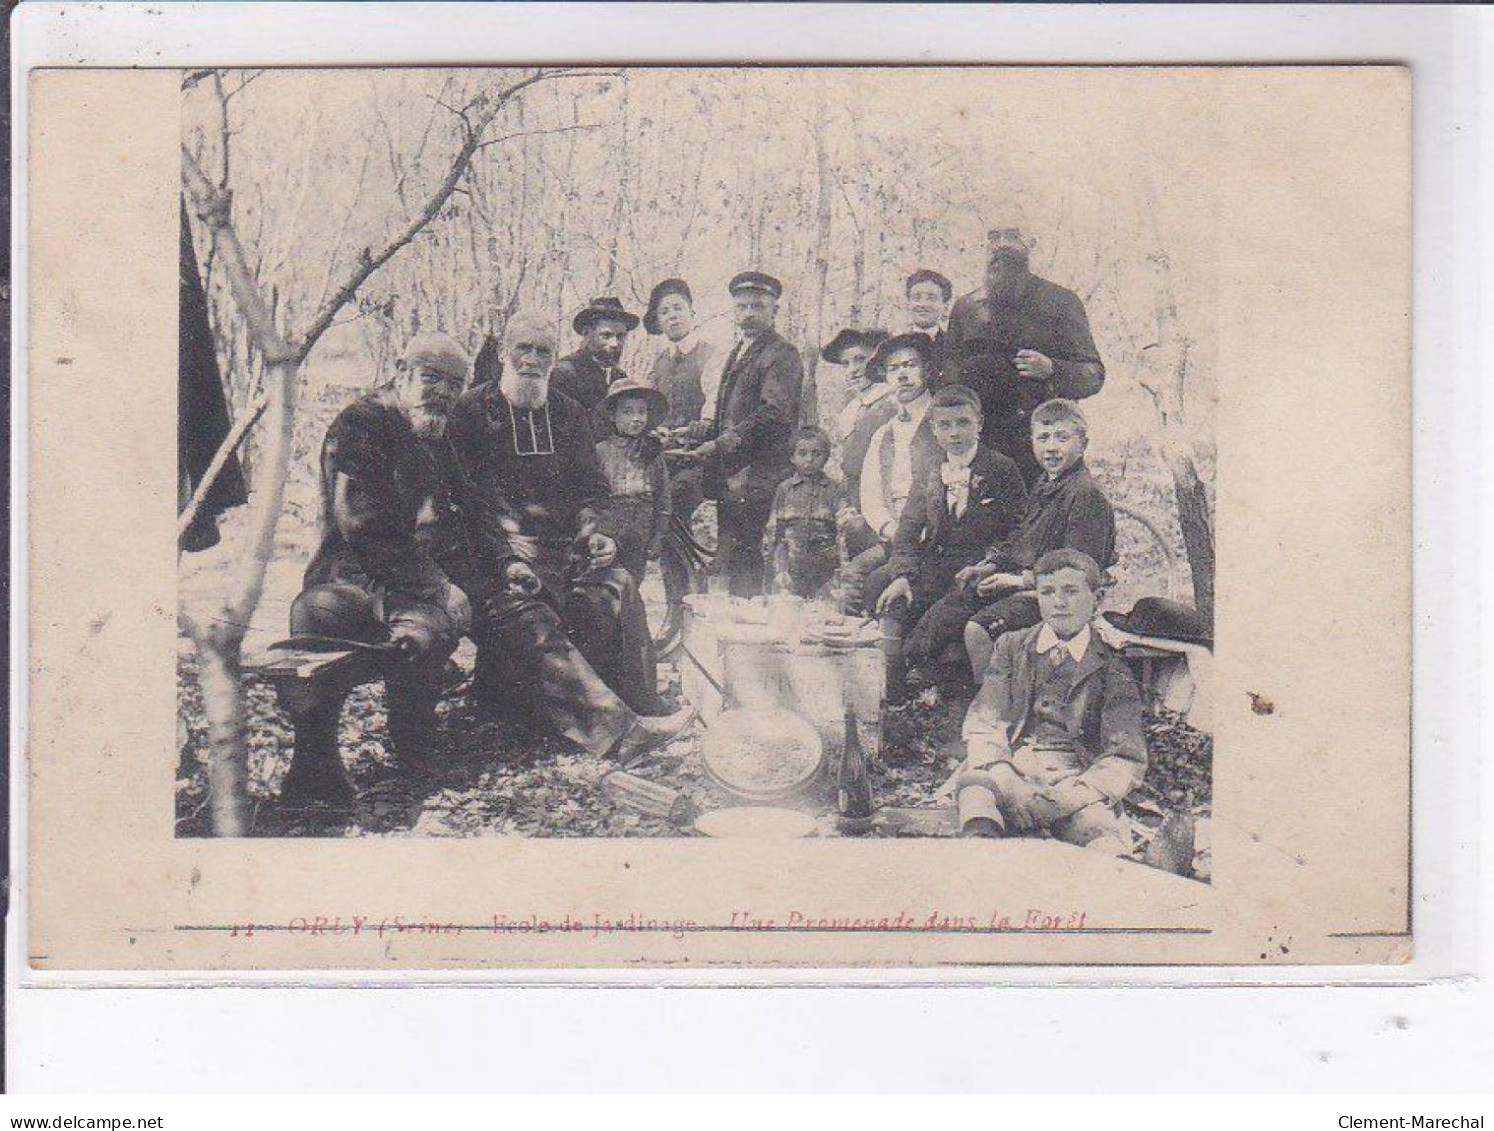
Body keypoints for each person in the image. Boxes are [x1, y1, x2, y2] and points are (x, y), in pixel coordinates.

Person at [449, 312, 693, 731]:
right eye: (523, 348)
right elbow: (464, 501)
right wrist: (505, 555)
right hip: (496, 552)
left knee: (618, 586)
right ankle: (610, 728)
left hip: (565, 546)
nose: (531, 359)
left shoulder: (569, 412)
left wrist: (595, 532)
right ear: (506, 352)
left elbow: (593, 488)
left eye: (542, 351)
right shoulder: (472, 409)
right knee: (531, 608)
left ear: (553, 357)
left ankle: (643, 703)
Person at [279, 333, 479, 808]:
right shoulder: (362, 424)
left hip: (407, 583)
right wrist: (437, 584)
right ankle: (314, 767)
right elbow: (361, 523)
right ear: (400, 370)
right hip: (349, 578)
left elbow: (463, 505)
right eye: (431, 378)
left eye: (454, 385)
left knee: (426, 633)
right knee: (314, 620)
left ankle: (415, 755)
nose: (442, 393)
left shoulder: (434, 431)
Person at [946, 549, 1145, 854]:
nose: (1059, 602)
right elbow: (986, 721)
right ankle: (980, 854)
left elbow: (1125, 754)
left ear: (1098, 598)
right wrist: (1007, 779)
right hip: (1013, 767)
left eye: (1071, 591)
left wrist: (1067, 799)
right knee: (975, 789)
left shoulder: (1112, 664)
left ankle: (1113, 870)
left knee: (1098, 831)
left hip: (1073, 779)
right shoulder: (1012, 646)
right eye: (1048, 592)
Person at [869, 384, 1026, 701]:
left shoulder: (1001, 468)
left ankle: (917, 666)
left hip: (976, 568)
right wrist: (902, 575)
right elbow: (909, 529)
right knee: (881, 585)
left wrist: (992, 562)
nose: (954, 433)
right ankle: (891, 689)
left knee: (948, 610)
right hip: (936, 562)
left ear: (979, 423)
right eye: (945, 424)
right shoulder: (929, 469)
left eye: (963, 423)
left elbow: (1020, 530)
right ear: (934, 429)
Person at [960, 398, 1118, 675]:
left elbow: (1080, 570)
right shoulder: (1046, 483)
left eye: (1062, 438)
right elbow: (1024, 539)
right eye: (1043, 438)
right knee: (954, 606)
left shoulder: (1084, 494)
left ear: (1083, 444)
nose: (1052, 447)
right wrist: (991, 567)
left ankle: (996, 708)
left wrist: (1019, 581)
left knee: (977, 630)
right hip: (1035, 587)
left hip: (1062, 599)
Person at [946, 228, 1104, 485]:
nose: (1002, 244)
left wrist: (1052, 368)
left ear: (1031, 245)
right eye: (994, 237)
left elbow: (1093, 375)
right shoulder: (966, 307)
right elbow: (948, 376)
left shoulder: (1061, 300)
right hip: (983, 448)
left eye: (1014, 237)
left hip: (1043, 448)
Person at [686, 271, 804, 596]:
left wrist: (722, 443)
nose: (749, 314)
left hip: (761, 474)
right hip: (734, 473)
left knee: (748, 554)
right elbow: (729, 410)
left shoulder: (782, 354)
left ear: (774, 311)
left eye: (757, 306)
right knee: (733, 553)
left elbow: (773, 413)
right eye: (742, 307)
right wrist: (696, 435)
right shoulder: (740, 350)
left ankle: (751, 632)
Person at [838, 332, 940, 614]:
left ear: (926, 370)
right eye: (894, 369)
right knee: (852, 574)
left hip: (933, 538)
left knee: (876, 584)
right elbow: (870, 496)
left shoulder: (943, 423)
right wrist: (889, 528)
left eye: (910, 365)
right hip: (896, 537)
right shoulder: (884, 432)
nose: (903, 375)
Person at [594, 379, 672, 586]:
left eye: (642, 412)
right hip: (608, 538)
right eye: (628, 412)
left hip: (639, 539)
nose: (637, 419)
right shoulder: (600, 452)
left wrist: (657, 539)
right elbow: (592, 500)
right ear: (612, 415)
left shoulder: (652, 454)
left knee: (631, 591)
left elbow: (662, 501)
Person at [762, 426, 842, 599]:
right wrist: (778, 570)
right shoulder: (785, 489)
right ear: (792, 457)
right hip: (791, 567)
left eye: (817, 454)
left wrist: (837, 578)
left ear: (826, 457)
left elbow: (842, 535)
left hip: (824, 569)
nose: (809, 459)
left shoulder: (834, 490)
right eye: (802, 453)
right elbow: (774, 533)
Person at [643, 278, 715, 430]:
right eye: (664, 312)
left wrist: (704, 425)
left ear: (691, 313)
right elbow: (650, 405)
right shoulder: (658, 363)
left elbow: (714, 400)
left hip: (699, 444)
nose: (672, 316)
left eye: (678, 308)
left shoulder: (711, 355)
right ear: (658, 322)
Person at [550, 296, 640, 412]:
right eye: (606, 336)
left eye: (620, 336)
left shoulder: (619, 376)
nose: (615, 343)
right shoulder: (564, 372)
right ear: (587, 334)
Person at [823, 327, 892, 449]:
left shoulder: (891, 400)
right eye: (845, 364)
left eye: (860, 360)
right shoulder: (852, 407)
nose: (852, 370)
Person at [904, 268, 953, 384]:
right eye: (916, 297)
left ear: (945, 307)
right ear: (908, 304)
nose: (923, 304)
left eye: (931, 298)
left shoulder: (953, 347)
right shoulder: (894, 346)